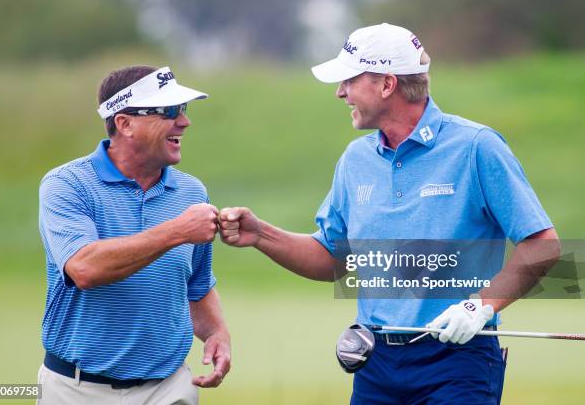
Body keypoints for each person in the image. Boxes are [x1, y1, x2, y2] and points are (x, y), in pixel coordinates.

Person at [218, 24, 559, 404]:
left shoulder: (477, 147)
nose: (340, 92)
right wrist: (260, 235)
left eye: (350, 80)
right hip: (375, 362)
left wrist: (479, 306)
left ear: (386, 85)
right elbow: (332, 259)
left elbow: (544, 246)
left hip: (458, 360)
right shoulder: (355, 160)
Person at [37, 65, 230, 405]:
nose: (184, 122)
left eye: (183, 110)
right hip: (76, 389)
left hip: (168, 388)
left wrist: (216, 332)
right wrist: (176, 231)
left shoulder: (191, 192)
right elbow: (85, 269)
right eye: (169, 112)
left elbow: (196, 285)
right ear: (124, 123)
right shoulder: (67, 184)